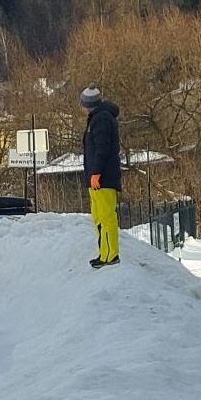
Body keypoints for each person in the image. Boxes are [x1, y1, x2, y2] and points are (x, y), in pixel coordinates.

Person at [81, 85, 122, 268]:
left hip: (103, 179)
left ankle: (110, 255)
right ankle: (104, 253)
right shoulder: (97, 119)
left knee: (106, 217)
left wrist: (96, 173)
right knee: (99, 217)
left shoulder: (101, 120)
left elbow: (102, 148)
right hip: (96, 179)